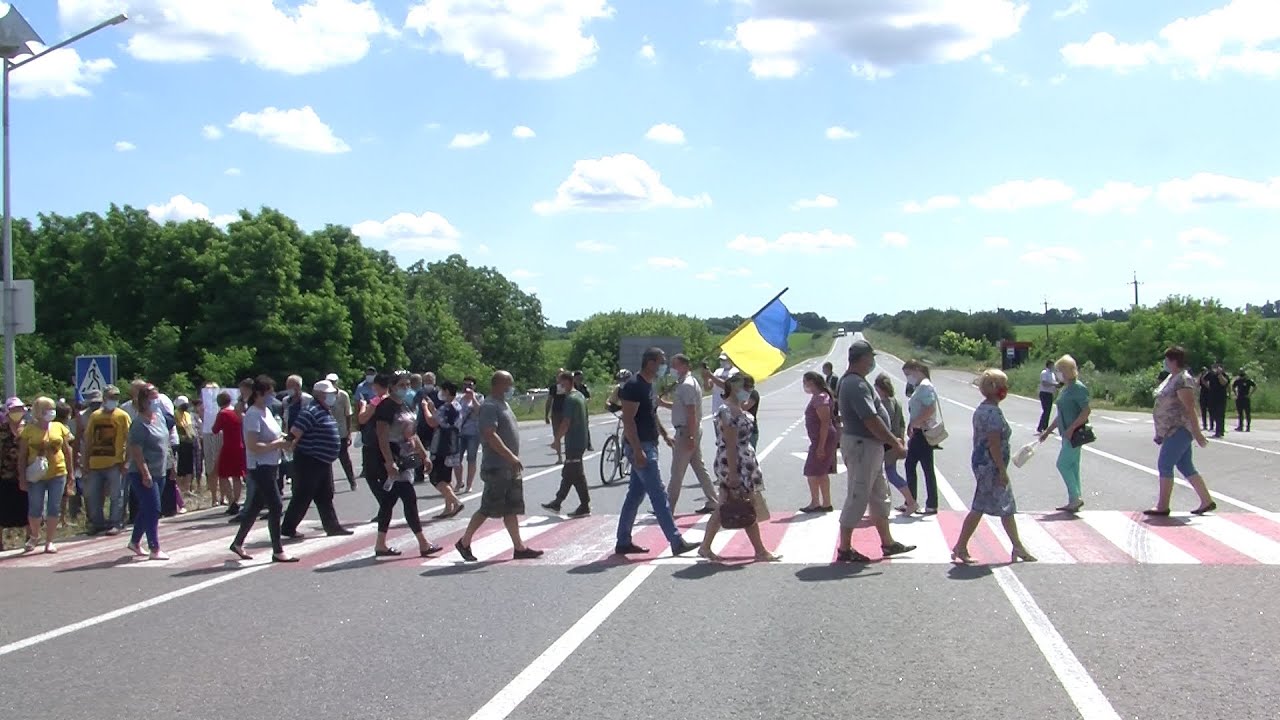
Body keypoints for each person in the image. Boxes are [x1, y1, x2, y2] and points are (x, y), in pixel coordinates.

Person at [835, 340, 916, 562]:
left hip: (869, 446)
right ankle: (844, 548)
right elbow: (870, 419)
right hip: (863, 446)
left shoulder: (856, 381)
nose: (872, 362)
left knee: (879, 496)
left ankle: (888, 543)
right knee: (858, 495)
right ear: (863, 358)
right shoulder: (856, 384)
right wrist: (894, 442)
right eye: (871, 358)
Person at [614, 348, 699, 557]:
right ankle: (676, 540)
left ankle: (623, 541)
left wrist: (664, 434)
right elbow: (628, 420)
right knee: (659, 494)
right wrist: (637, 450)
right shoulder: (634, 386)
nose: (664, 366)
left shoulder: (648, 385)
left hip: (648, 444)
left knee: (635, 495)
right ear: (650, 363)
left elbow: (651, 414)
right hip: (641, 447)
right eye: (661, 362)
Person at [454, 371, 544, 561]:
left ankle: (519, 547)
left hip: (509, 467)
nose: (511, 388)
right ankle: (464, 542)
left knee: (511, 508)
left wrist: (512, 460)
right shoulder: (489, 406)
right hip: (497, 466)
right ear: (498, 385)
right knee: (488, 507)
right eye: (508, 384)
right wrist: (510, 457)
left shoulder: (503, 404)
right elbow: (490, 434)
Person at [949, 370, 1036, 565]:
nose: (1006, 389)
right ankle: (961, 546)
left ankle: (1017, 546)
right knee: (985, 506)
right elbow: (994, 443)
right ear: (996, 388)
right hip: (991, 466)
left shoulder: (982, 409)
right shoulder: (993, 413)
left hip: (982, 463)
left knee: (1002, 505)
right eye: (1004, 385)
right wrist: (1002, 470)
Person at [697, 373, 781, 563]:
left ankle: (705, 546)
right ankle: (760, 551)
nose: (749, 391)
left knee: (727, 505)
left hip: (742, 462)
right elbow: (731, 443)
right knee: (744, 504)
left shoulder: (737, 409)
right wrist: (734, 473)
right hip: (735, 463)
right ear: (735, 387)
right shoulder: (728, 411)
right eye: (746, 387)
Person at [228, 376, 297, 563]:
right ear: (258, 393)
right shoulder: (253, 415)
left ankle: (237, 542)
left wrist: (285, 439)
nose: (271, 397)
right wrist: (278, 444)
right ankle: (277, 550)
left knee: (256, 506)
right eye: (269, 393)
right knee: (276, 505)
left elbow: (274, 434)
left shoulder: (266, 411)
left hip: (272, 463)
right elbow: (253, 445)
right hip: (260, 466)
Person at [371, 387, 443, 558]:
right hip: (393, 458)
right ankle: (423, 543)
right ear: (392, 386)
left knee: (388, 503)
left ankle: (380, 544)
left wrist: (423, 455)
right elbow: (382, 437)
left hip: (405, 457)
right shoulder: (385, 407)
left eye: (407, 384)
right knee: (409, 499)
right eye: (401, 384)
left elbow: (413, 434)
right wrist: (389, 461)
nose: (405, 387)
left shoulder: (405, 405)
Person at [1145, 346, 1216, 516]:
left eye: (1167, 360)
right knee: (1185, 465)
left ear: (1174, 361)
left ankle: (1162, 506)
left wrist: (1197, 434)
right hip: (1169, 429)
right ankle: (1206, 500)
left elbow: (1190, 408)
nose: (1165, 363)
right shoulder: (1172, 377)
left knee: (1165, 464)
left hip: (1179, 429)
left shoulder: (1183, 380)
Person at [281, 379, 354, 538]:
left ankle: (332, 526)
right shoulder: (310, 411)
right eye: (329, 394)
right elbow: (295, 433)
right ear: (319, 395)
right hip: (309, 460)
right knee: (303, 494)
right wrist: (288, 447)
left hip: (322, 461)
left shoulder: (324, 410)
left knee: (325, 495)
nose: (333, 396)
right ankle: (288, 527)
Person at [17, 397, 75, 554]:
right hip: (36, 475)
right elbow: (22, 456)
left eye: (52, 408)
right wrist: (22, 477)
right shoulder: (29, 430)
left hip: (58, 473)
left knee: (54, 507)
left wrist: (71, 473)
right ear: (39, 411)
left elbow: (67, 451)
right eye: (47, 409)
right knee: (35, 507)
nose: (51, 412)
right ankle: (35, 536)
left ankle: (49, 541)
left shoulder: (59, 427)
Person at [661, 354, 717, 516]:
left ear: (685, 366)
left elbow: (691, 412)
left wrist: (691, 436)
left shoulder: (687, 385)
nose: (672, 368)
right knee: (699, 467)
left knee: (677, 471)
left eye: (675, 365)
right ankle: (713, 500)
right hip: (690, 430)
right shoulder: (686, 383)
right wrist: (663, 403)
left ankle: (668, 507)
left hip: (686, 431)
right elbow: (681, 407)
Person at [1038, 355, 1091, 513]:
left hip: (1074, 434)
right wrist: (1048, 431)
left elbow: (1086, 411)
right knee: (1073, 466)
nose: (1058, 373)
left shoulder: (1078, 388)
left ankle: (1075, 498)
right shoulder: (1066, 388)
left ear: (1068, 370)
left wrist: (1072, 428)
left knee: (1063, 464)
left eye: (1060, 370)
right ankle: (1074, 498)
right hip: (1066, 434)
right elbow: (1060, 414)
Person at [124, 385, 170, 561]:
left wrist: (171, 466)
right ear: (144, 400)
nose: (156, 401)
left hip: (160, 470)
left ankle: (135, 541)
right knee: (154, 509)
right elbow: (136, 451)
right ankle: (154, 547)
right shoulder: (138, 424)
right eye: (152, 398)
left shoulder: (159, 418)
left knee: (147, 507)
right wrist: (145, 473)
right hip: (142, 472)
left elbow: (165, 444)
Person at [82, 385, 131, 535]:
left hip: (115, 463)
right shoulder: (95, 416)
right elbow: (88, 440)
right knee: (93, 495)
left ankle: (116, 522)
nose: (113, 400)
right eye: (111, 397)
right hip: (95, 462)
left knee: (116, 495)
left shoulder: (122, 416)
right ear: (104, 398)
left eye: (116, 397)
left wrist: (126, 462)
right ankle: (97, 523)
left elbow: (130, 440)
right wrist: (85, 462)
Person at [542, 371, 592, 517]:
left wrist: (557, 439)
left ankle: (581, 505)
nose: (559, 386)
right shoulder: (580, 396)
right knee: (572, 472)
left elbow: (566, 422)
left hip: (574, 441)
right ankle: (560, 502)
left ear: (568, 382)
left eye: (561, 382)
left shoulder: (570, 399)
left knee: (574, 473)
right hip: (580, 439)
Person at [902, 359, 942, 516]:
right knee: (922, 467)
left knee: (913, 465)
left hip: (923, 432)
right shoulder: (921, 386)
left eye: (908, 374)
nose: (908, 378)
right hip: (920, 431)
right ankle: (924, 503)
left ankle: (914, 502)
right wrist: (912, 424)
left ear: (917, 370)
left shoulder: (925, 386)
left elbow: (930, 408)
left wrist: (915, 423)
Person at [420, 380, 465, 519]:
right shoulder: (457, 406)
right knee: (446, 477)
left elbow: (432, 422)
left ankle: (455, 502)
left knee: (436, 477)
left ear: (446, 391)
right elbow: (442, 419)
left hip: (442, 446)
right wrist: (433, 409)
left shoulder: (446, 407)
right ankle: (448, 507)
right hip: (453, 445)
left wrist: (425, 408)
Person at [874, 374, 918, 515]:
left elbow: (882, 425)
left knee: (887, 474)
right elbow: (902, 422)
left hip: (887, 443)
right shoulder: (896, 401)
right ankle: (906, 502)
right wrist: (901, 439)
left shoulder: (884, 404)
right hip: (895, 441)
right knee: (886, 474)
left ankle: (910, 501)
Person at [800, 371, 836, 514]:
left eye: (805, 382)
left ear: (811, 382)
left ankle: (815, 503)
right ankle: (826, 503)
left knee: (811, 471)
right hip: (820, 438)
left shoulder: (820, 398)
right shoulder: (819, 396)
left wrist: (821, 446)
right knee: (821, 472)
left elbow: (825, 422)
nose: (804, 385)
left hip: (822, 439)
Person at [0, 398, 29, 550]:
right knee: (3, 509)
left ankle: (31, 538)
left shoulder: (29, 429)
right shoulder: (2, 430)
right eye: (13, 409)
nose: (17, 412)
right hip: (5, 475)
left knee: (28, 507)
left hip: (26, 475)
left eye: (19, 409)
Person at [212, 391, 246, 517]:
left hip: (228, 446)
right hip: (240, 445)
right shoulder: (237, 412)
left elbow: (215, 430)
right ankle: (236, 500)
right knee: (237, 475)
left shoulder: (223, 413)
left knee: (223, 475)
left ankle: (231, 501)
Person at [325, 373, 357, 490]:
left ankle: (352, 481)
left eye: (333, 382)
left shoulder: (343, 395)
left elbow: (348, 414)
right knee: (327, 461)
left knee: (344, 458)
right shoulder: (324, 395)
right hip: (327, 432)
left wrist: (349, 432)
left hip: (341, 431)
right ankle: (329, 486)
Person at [456, 376, 481, 493]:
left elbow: (479, 411)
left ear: (474, 386)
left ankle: (469, 485)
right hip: (459, 432)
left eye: (470, 385)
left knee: (471, 458)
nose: (467, 387)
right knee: (457, 459)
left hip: (473, 433)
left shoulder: (479, 397)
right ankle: (459, 482)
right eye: (465, 385)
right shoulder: (458, 398)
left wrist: (473, 398)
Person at [173, 395, 196, 513]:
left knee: (189, 467)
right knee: (180, 468)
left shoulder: (187, 414)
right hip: (180, 443)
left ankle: (187, 488)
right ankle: (181, 488)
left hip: (189, 442)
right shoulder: (175, 414)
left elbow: (190, 428)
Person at [545, 368, 567, 464]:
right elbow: (549, 400)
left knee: (568, 433)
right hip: (556, 412)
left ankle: (569, 455)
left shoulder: (569, 386)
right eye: (558, 375)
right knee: (556, 434)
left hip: (567, 411)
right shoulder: (553, 388)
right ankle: (559, 457)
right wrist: (546, 414)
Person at [1036, 360, 1060, 433]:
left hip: (1050, 393)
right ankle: (1040, 427)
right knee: (1046, 410)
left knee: (1048, 411)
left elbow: (1053, 383)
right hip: (1044, 393)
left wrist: (1058, 385)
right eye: (1052, 365)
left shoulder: (1052, 374)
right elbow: (1044, 383)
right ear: (1049, 365)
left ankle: (1045, 427)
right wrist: (1054, 384)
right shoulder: (1044, 373)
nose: (1053, 366)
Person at [573, 370, 594, 451]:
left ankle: (588, 444)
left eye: (581, 378)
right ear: (574, 378)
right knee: (573, 426)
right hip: (573, 409)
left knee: (585, 426)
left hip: (582, 408)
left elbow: (588, 397)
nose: (580, 380)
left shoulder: (583, 387)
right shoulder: (572, 387)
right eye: (578, 378)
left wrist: (585, 400)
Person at [1208, 363, 1230, 438]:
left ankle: (1219, 432)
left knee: (1220, 414)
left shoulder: (1224, 375)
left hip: (1221, 398)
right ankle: (1219, 430)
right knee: (1213, 413)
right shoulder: (1211, 375)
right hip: (1212, 397)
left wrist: (1220, 375)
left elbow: (1224, 383)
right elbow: (1203, 379)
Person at [742, 374, 761, 449]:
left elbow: (745, 407)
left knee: (749, 453)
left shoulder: (754, 394)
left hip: (751, 429)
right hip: (740, 429)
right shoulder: (740, 394)